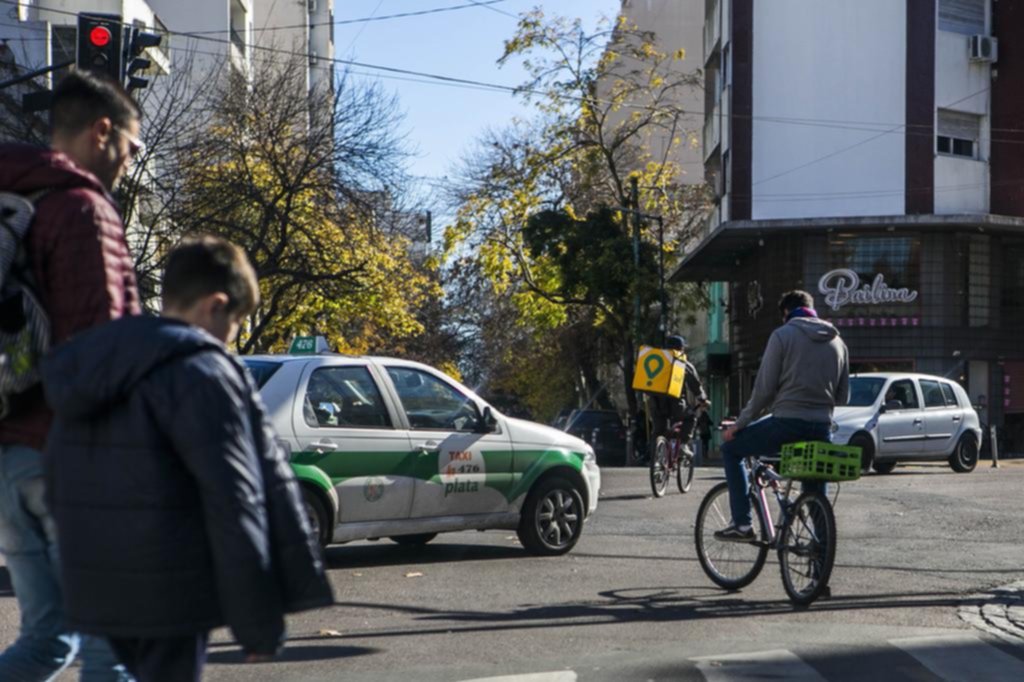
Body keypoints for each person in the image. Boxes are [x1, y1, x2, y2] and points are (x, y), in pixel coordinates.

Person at [41, 236, 334, 681]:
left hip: (95, 586)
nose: (232, 335)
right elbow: (235, 499)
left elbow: (60, 476)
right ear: (215, 305)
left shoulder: (96, 362)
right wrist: (257, 623)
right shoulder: (201, 373)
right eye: (236, 321)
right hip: (171, 590)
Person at [0, 70, 142, 681]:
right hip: (72, 458)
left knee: (47, 640)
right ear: (102, 131)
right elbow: (102, 352)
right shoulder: (85, 209)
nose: (131, 164)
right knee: (117, 649)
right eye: (132, 149)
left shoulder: (17, 204)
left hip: (10, 463)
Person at [716, 290, 849, 542]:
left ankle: (742, 524)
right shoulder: (838, 342)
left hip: (786, 424)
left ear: (786, 313)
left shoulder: (782, 335)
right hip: (821, 428)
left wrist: (739, 425)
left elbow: (764, 391)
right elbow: (842, 397)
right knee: (814, 493)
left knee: (731, 449)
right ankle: (819, 564)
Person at [648, 335, 708, 457]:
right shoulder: (683, 363)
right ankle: (682, 445)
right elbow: (695, 385)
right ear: (681, 349)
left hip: (656, 404)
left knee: (659, 430)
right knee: (690, 418)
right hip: (676, 405)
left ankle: (655, 454)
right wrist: (703, 400)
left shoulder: (656, 361)